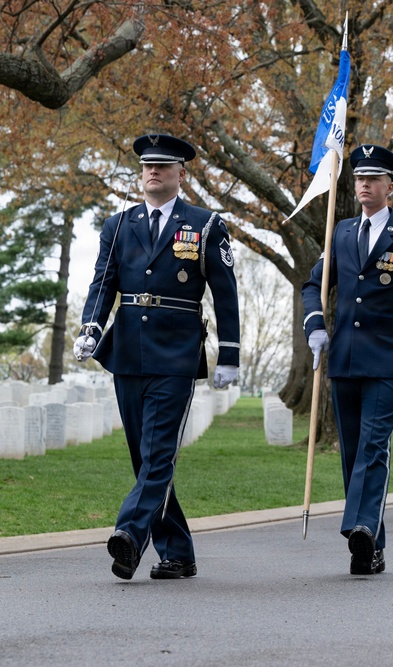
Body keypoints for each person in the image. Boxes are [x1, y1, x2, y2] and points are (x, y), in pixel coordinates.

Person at [75, 133, 240, 580]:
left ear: (181, 174)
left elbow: (225, 294)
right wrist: (91, 326)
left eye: (163, 166)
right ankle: (179, 552)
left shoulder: (205, 225)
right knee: (142, 457)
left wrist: (230, 354)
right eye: (148, 166)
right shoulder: (119, 224)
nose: (153, 172)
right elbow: (103, 283)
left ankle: (129, 535)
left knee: (158, 454)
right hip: (127, 350)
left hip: (176, 354)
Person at [302, 145, 393, 575]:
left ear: (389, 186)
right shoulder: (338, 232)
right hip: (344, 360)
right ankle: (370, 544)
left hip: (387, 360)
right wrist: (316, 325)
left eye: (374, 179)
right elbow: (313, 284)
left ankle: (359, 525)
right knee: (353, 453)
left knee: (375, 448)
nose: (364, 185)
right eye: (359, 178)